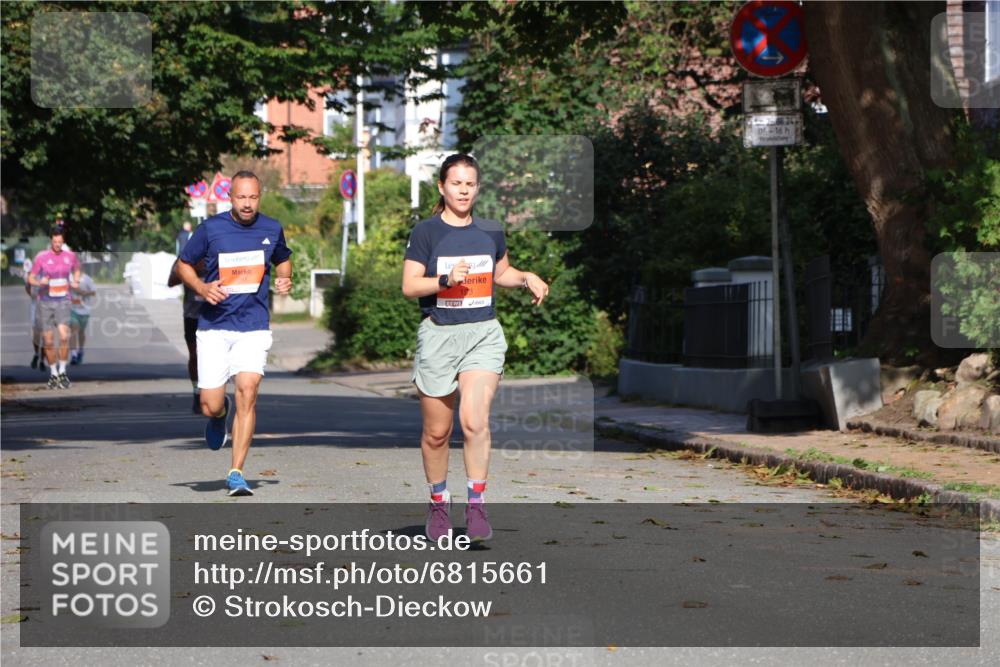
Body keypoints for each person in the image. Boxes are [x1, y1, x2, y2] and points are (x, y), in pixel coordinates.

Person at [401, 153, 549, 542]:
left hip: (482, 334)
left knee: (474, 421)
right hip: (438, 336)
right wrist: (445, 278)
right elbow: (410, 286)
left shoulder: (491, 231)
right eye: (456, 183)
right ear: (442, 187)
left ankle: (477, 505)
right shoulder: (426, 232)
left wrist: (526, 277)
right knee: (437, 433)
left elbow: (500, 272)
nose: (463, 190)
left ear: (477, 188)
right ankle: (438, 503)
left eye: (470, 184)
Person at [176, 171, 292, 496]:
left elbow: (283, 259)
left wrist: (285, 278)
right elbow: (183, 264)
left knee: (248, 390)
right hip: (214, 326)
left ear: (259, 197)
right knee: (209, 405)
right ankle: (219, 415)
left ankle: (236, 472)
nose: (247, 203)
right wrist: (201, 286)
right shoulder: (211, 229)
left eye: (252, 197)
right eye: (241, 197)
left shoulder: (271, 228)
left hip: (253, 326)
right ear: (231, 197)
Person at [28, 227, 81, 389]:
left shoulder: (70, 257)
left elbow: (77, 270)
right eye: (55, 241)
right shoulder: (42, 258)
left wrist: (76, 281)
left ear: (63, 241)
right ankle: (53, 374)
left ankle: (63, 371)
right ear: (51, 241)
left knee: (64, 337)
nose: (57, 244)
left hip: (63, 301)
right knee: (49, 342)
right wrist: (39, 282)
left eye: (60, 242)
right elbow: (31, 277)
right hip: (45, 302)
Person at [168, 257, 207, 413]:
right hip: (193, 315)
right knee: (195, 356)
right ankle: (197, 393)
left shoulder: (220, 251)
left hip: (217, 314)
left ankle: (215, 393)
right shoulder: (187, 257)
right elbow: (171, 281)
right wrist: (191, 272)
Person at [23, 257, 46, 373]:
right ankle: (37, 354)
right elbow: (27, 288)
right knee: (35, 334)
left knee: (46, 336)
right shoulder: (29, 274)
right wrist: (33, 294)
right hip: (34, 307)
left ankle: (42, 360)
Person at [69, 272, 97, 365]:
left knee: (81, 332)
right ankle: (73, 355)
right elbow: (71, 287)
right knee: (73, 329)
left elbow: (94, 292)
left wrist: (85, 293)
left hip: (85, 310)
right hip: (72, 309)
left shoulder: (87, 279)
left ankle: (80, 351)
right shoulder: (69, 277)